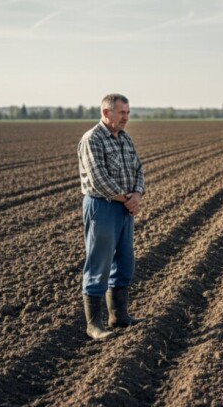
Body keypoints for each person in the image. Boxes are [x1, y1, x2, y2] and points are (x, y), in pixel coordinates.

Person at [77, 93, 145, 340]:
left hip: (125, 207)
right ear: (106, 113)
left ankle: (119, 316)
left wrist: (137, 194)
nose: (127, 117)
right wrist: (126, 199)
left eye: (128, 113)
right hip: (102, 207)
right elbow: (98, 178)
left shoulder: (125, 139)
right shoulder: (92, 139)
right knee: (99, 264)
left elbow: (138, 169)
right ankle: (94, 325)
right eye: (122, 113)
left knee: (124, 261)